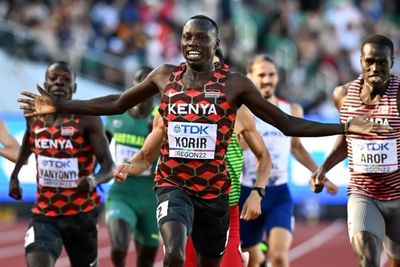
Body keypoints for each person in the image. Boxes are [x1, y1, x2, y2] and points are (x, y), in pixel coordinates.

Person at [17, 15, 388, 267]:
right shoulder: (164, 76)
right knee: (175, 253)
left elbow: (287, 123)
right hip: (172, 184)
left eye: (201, 37)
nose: (192, 43)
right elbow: (116, 101)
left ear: (216, 42)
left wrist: (344, 127)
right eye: (187, 37)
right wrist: (60, 104)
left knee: (210, 260)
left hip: (213, 193)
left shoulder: (235, 84)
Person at [114, 100, 272, 266]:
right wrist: (129, 166)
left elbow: (263, 156)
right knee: (177, 256)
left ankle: (238, 257)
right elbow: (145, 158)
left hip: (223, 209)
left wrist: (258, 192)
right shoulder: (170, 107)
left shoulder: (237, 111)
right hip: (185, 205)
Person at [10, 61, 114, 267]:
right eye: (54, 78)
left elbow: (109, 166)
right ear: (45, 84)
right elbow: (27, 141)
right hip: (44, 214)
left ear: (74, 88)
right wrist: (15, 175)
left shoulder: (87, 118)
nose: (59, 82)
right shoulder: (33, 114)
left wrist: (93, 180)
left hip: (81, 216)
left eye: (66, 80)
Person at [238, 54, 339, 267]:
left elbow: (297, 148)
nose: (267, 79)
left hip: (278, 193)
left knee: (279, 257)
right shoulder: (242, 112)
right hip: (248, 191)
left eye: (272, 74)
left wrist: (321, 173)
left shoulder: (291, 110)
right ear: (250, 77)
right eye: (261, 74)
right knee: (251, 259)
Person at [311, 34, 400, 267]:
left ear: (392, 61)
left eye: (382, 62)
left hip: (398, 194)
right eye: (369, 61)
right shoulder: (342, 95)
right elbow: (345, 139)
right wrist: (323, 168)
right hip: (364, 193)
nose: (375, 68)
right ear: (361, 61)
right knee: (367, 260)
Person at [104, 67, 159, 267]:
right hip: (122, 195)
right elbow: (100, 152)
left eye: (148, 84)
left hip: (151, 198)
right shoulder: (115, 116)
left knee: (146, 261)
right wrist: (95, 175)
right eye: (138, 82)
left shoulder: (160, 119)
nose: (141, 87)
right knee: (118, 248)